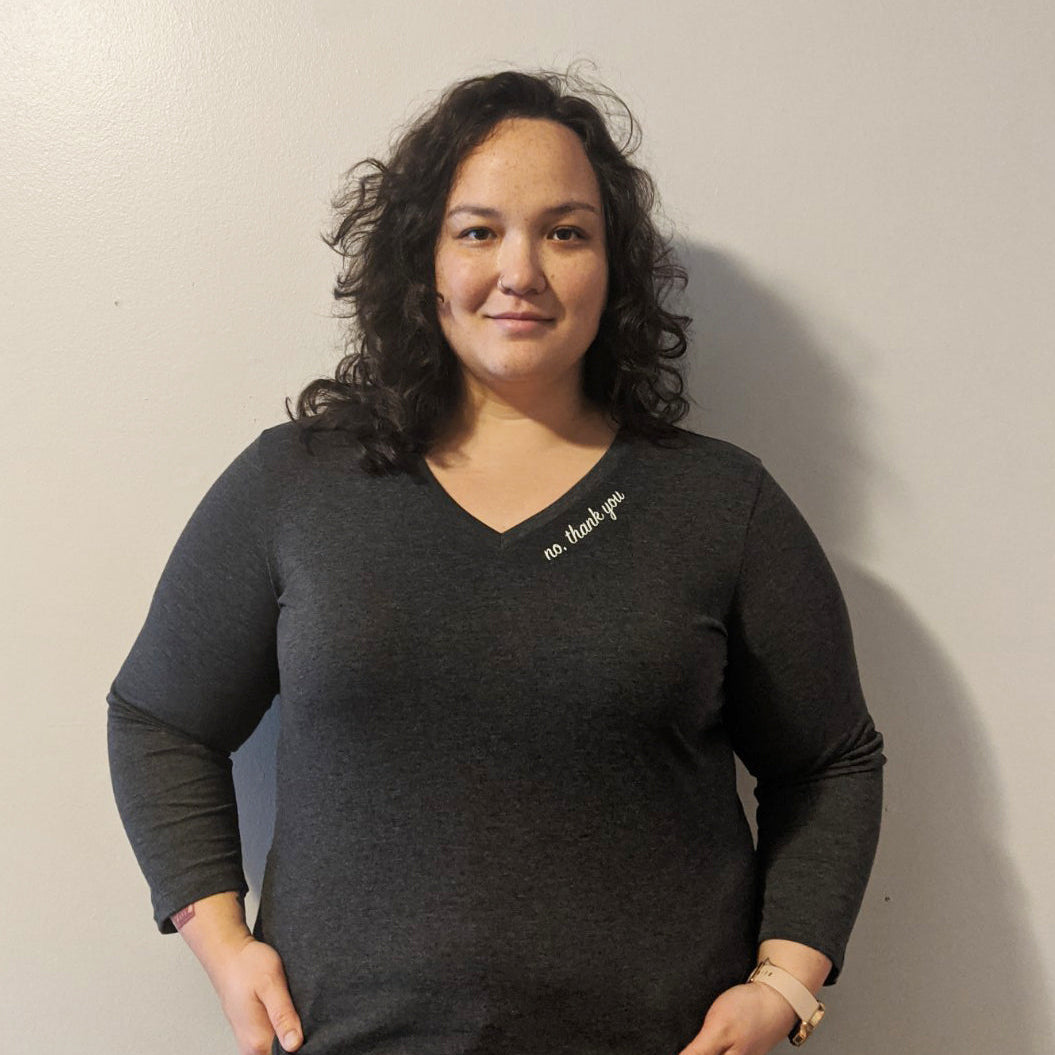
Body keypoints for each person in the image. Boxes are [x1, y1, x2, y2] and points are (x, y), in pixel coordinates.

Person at [107, 69, 884, 1055]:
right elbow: (158, 716)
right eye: (477, 231)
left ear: (613, 266)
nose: (520, 270)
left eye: (565, 232)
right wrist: (221, 941)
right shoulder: (295, 485)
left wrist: (785, 981)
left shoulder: (718, 506)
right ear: (421, 257)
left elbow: (828, 760)